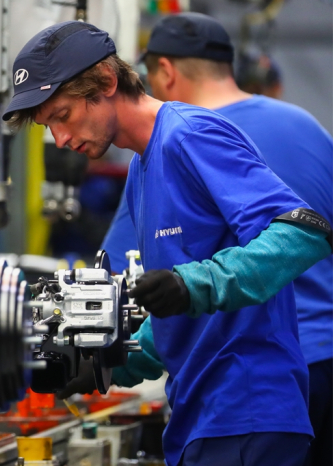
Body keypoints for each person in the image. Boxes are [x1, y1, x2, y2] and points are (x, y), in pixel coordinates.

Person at [2, 20, 331, 466]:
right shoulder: (142, 169)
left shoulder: (189, 135)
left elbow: (304, 232)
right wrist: (102, 367)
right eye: (48, 127)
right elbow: (174, 316)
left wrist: (193, 284)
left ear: (106, 81)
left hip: (246, 411)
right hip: (199, 414)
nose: (60, 138)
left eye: (62, 115)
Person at [100, 13, 333, 466]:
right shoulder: (308, 127)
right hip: (312, 364)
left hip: (244, 377)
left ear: (165, 71)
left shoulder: (183, 139)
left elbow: (115, 274)